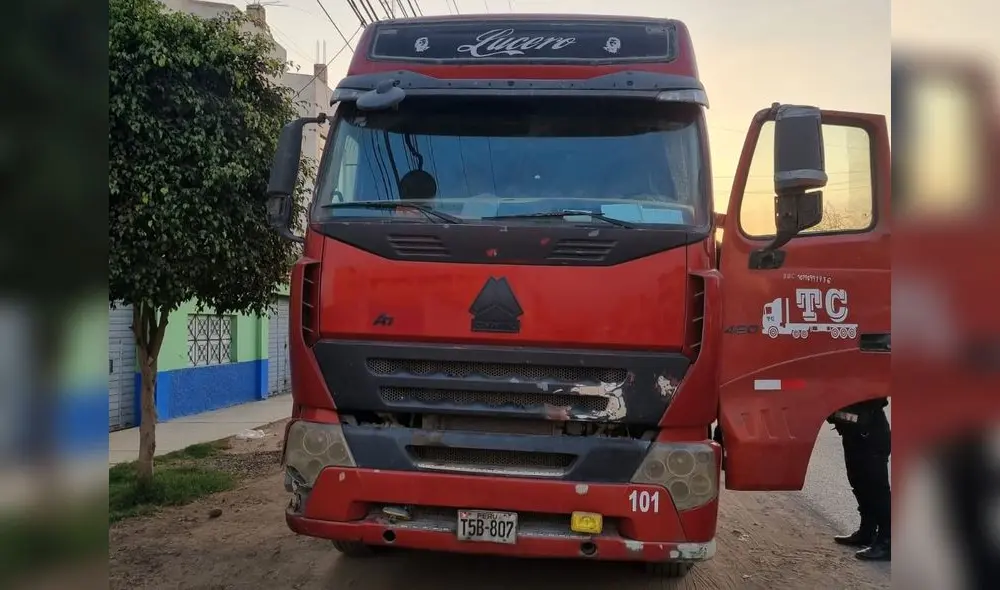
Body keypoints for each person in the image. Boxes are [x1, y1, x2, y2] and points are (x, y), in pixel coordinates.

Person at [827, 397, 891, 561]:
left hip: (870, 434)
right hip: (853, 433)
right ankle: (867, 531)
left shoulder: (868, 376)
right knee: (859, 483)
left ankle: (887, 541)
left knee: (876, 489)